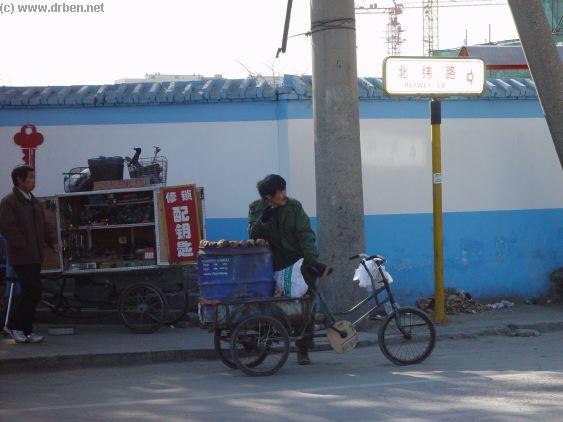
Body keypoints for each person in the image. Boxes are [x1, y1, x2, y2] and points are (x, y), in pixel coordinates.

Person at [248, 174, 328, 365]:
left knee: (306, 303)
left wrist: (311, 260)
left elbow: (306, 234)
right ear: (268, 196)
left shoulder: (294, 207)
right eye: (280, 192)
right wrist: (263, 220)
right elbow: (253, 234)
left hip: (299, 262)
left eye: (284, 190)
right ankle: (270, 337)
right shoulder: (256, 208)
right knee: (276, 304)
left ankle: (303, 348)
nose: (284, 194)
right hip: (273, 264)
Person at [0, 165, 58, 343]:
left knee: (32, 292)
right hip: (22, 255)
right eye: (31, 177)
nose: (34, 181)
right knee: (32, 291)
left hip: (35, 254)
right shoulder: (9, 201)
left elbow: (44, 225)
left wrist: (52, 242)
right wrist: (23, 244)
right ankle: (15, 327)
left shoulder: (32, 200)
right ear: (19, 179)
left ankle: (26, 330)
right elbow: (8, 228)